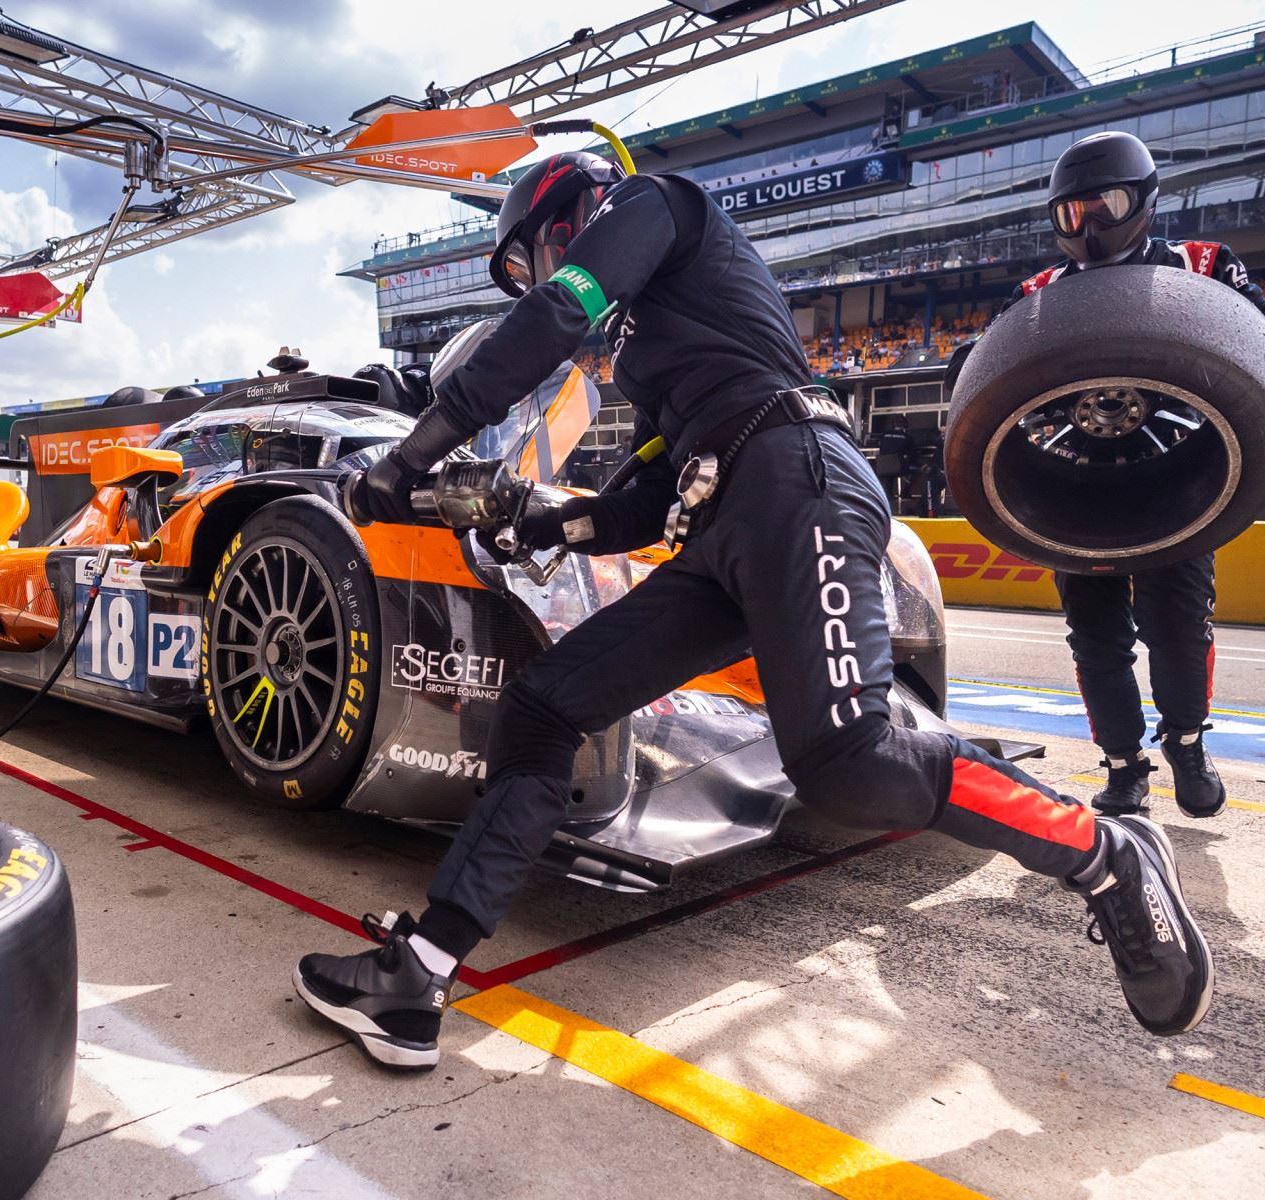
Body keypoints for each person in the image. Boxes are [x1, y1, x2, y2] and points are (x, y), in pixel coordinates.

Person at [293, 150, 1213, 1070]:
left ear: (561, 221)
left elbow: (556, 312)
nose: (533, 282)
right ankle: (420, 974)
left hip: (796, 481)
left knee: (848, 761)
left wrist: (411, 455)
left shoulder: (659, 201)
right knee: (545, 706)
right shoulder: (656, 342)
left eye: (527, 262)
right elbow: (645, 498)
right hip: (730, 520)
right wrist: (544, 522)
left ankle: (1103, 849)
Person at [995, 131, 1265, 819]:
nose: (1088, 224)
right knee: (1095, 636)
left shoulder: (1203, 264)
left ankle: (1188, 744)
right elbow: (987, 373)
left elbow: (1254, 337)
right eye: (1072, 212)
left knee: (1179, 624)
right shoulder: (1036, 293)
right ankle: (1123, 765)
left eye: (1105, 205)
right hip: (1074, 487)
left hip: (1179, 479)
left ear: (1143, 201)